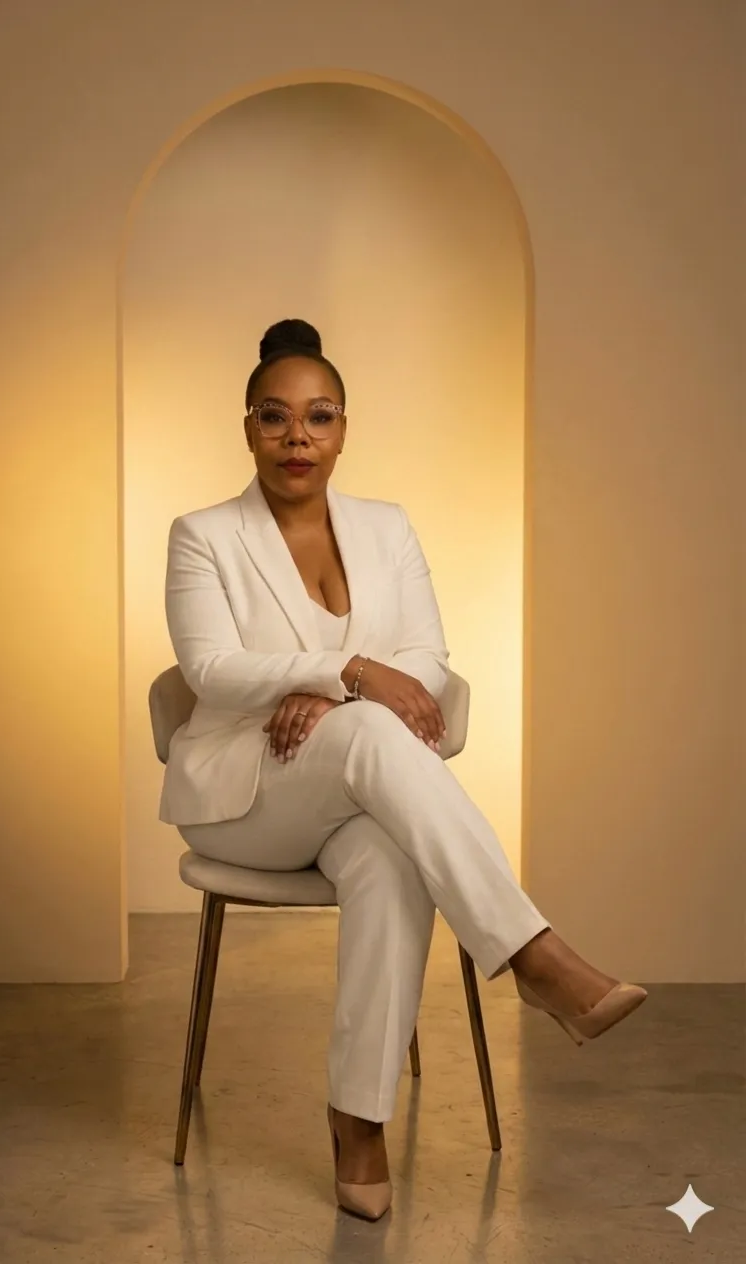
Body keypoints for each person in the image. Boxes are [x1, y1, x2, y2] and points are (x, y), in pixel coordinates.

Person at [158, 318, 647, 1221]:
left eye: (319, 416)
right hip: (245, 797)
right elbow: (211, 674)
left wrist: (347, 696)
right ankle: (536, 957)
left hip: (349, 792)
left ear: (345, 428)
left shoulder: (387, 529)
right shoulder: (204, 535)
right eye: (275, 417)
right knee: (380, 738)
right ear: (247, 427)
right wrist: (345, 670)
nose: (297, 436)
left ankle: (358, 1119)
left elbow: (427, 651)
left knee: (390, 856)